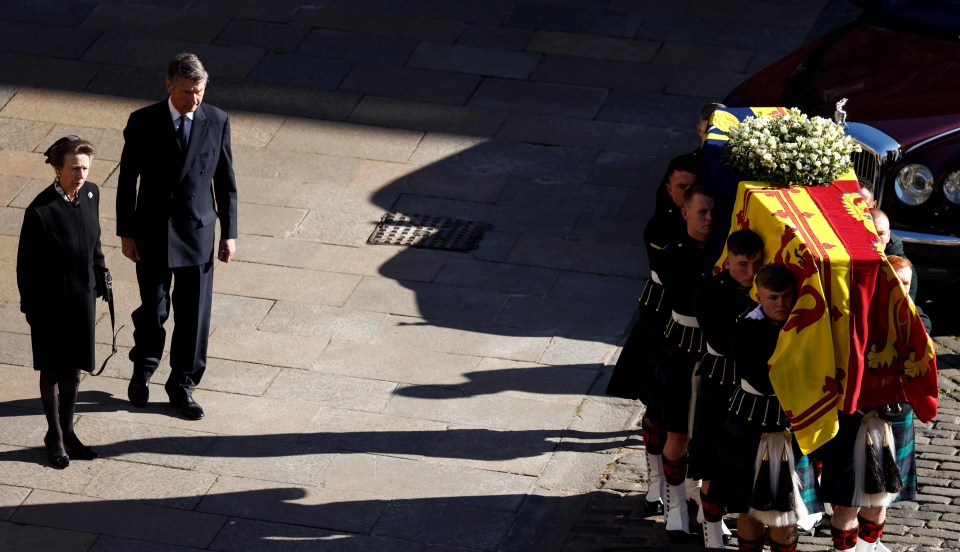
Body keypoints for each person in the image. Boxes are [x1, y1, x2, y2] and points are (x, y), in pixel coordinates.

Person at [117, 52, 238, 420]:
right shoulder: (142, 122)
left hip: (198, 233)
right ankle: (143, 370)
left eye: (199, 91)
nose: (194, 99)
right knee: (153, 311)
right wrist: (126, 231)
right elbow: (127, 182)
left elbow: (226, 182)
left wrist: (229, 233)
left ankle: (182, 383)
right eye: (186, 92)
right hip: (152, 233)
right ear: (168, 86)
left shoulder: (216, 120)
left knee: (193, 315)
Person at [605, 153, 700, 516]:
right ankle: (655, 478)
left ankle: (681, 482)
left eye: (693, 187)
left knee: (683, 413)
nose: (686, 193)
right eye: (681, 188)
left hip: (687, 321)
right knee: (656, 404)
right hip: (660, 317)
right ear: (669, 189)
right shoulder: (662, 227)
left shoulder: (703, 221)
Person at [815, 255, 924, 552]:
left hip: (893, 416)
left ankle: (867, 548)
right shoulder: (852, 317)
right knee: (846, 504)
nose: (900, 291)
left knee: (880, 500)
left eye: (906, 284)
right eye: (894, 284)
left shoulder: (918, 321)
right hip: (852, 419)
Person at [712, 264, 823, 552]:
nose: (781, 304)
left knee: (786, 512)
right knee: (748, 508)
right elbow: (762, 382)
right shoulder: (745, 327)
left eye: (786, 296)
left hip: (792, 423)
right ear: (758, 295)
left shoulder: (806, 324)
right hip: (751, 419)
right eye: (772, 297)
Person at [17, 136, 106, 469]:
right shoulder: (39, 211)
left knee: (75, 367)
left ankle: (69, 431)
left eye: (84, 168)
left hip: (83, 298)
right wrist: (31, 310)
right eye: (73, 168)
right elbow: (25, 268)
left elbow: (95, 240)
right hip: (50, 305)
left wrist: (102, 274)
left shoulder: (92, 193)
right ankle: (53, 436)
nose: (80, 174)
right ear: (57, 168)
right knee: (53, 369)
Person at [690, 229, 765, 547]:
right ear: (728, 260)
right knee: (711, 462)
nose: (750, 273)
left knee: (745, 463)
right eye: (742, 264)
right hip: (720, 381)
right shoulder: (709, 292)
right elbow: (722, 341)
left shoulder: (763, 291)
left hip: (749, 392)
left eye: (756, 264)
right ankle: (711, 530)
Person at [655, 184, 714, 541]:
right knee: (677, 432)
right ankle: (675, 505)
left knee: (710, 437)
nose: (708, 218)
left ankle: (710, 512)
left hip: (715, 355)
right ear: (686, 212)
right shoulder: (673, 254)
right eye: (701, 212)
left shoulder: (725, 250)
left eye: (712, 212)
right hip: (683, 346)